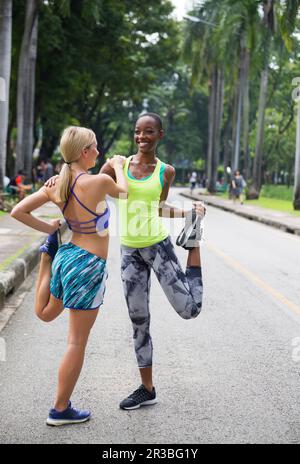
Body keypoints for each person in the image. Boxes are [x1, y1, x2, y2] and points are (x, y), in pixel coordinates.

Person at [11, 126, 128, 426]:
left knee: (46, 313)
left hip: (68, 257)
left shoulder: (56, 185)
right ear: (84, 152)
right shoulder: (101, 181)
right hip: (88, 266)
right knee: (76, 343)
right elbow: (124, 192)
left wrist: (50, 230)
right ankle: (60, 409)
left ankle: (45, 259)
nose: (100, 152)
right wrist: (118, 166)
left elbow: (18, 212)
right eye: (96, 147)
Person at [100, 112, 206, 410]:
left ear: (160, 134)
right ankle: (147, 388)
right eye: (137, 132)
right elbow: (90, 185)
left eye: (148, 132)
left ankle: (194, 245)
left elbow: (158, 207)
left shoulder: (165, 171)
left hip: (159, 247)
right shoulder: (118, 166)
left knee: (189, 310)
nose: (141, 137)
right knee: (139, 320)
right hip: (129, 252)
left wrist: (188, 214)